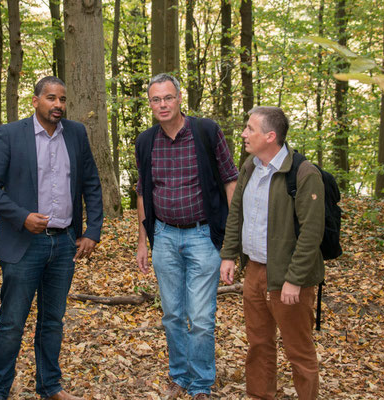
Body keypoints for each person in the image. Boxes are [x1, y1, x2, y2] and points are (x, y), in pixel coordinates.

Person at [0, 76, 103, 400]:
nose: (58, 105)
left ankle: (50, 388)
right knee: (11, 323)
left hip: (64, 244)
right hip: (24, 246)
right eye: (51, 98)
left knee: (52, 322)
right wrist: (21, 217)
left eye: (62, 99)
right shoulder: (11, 134)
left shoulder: (76, 134)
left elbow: (91, 183)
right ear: (35, 101)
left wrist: (92, 232)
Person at [135, 73, 238, 399]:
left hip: (203, 236)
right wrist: (142, 240)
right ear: (150, 104)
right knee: (173, 314)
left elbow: (231, 182)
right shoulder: (146, 141)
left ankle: (202, 384)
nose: (162, 104)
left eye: (168, 97)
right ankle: (179, 375)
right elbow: (142, 193)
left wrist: (232, 244)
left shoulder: (206, 132)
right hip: (163, 236)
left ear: (180, 98)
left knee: (201, 317)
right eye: (156, 99)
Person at [220, 106, 325, 400]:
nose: (243, 134)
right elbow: (236, 213)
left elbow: (311, 234)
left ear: (270, 135)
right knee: (259, 344)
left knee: (298, 350)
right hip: (254, 271)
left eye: (250, 129)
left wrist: (295, 279)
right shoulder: (250, 166)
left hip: (289, 278)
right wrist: (229, 255)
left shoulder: (304, 174)